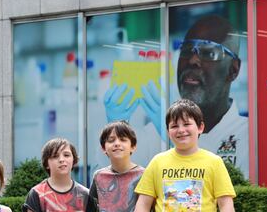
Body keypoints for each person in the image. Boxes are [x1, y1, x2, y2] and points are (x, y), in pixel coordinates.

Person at [105, 14, 248, 174]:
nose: (193, 60)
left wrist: (175, 142)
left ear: (233, 70)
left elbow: (227, 193)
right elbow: (111, 185)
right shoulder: (154, 133)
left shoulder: (250, 137)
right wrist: (115, 130)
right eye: (186, 51)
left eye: (208, 53)